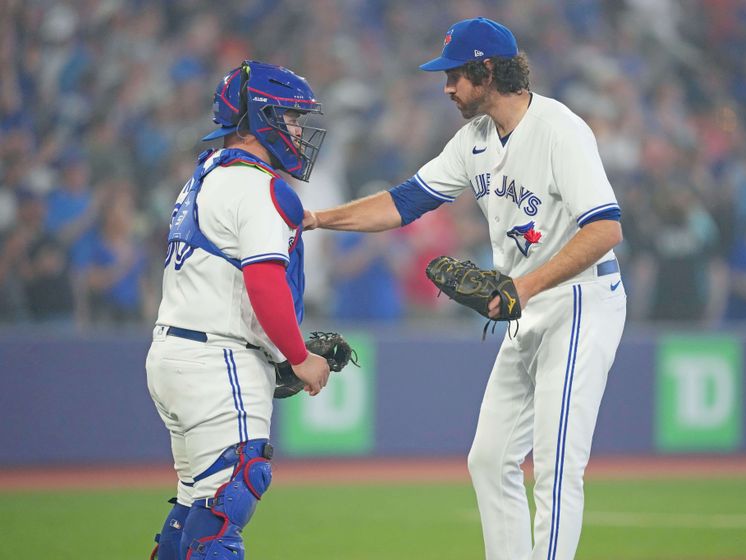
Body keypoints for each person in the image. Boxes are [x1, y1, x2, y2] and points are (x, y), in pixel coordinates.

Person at [304, 18, 626, 560]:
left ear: (488, 71)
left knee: (555, 461)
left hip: (580, 301)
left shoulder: (560, 129)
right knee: (489, 457)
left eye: (455, 75)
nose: (447, 87)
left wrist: (525, 285)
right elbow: (402, 202)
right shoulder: (472, 141)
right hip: (525, 307)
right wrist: (316, 218)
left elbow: (606, 228)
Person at [146, 60, 331, 560]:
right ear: (263, 116)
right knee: (230, 501)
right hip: (217, 360)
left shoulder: (206, 176)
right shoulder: (256, 185)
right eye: (291, 118)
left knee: (194, 510)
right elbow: (264, 280)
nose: (298, 130)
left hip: (176, 353)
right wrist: (296, 354)